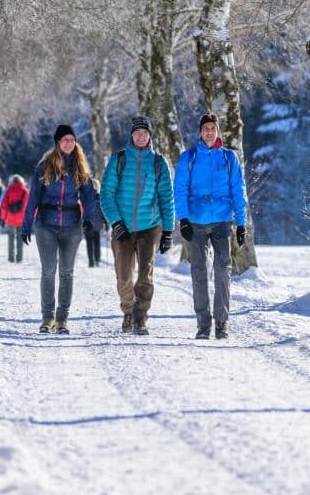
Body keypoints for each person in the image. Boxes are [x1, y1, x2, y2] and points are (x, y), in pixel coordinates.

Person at [174, 112, 247, 340]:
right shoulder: (189, 157)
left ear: (217, 131)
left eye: (212, 128)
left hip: (221, 221)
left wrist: (242, 223)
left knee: (222, 270)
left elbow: (238, 190)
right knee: (198, 271)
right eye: (205, 128)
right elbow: (179, 190)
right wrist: (183, 219)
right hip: (196, 221)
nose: (209, 132)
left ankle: (222, 321)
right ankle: (203, 324)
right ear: (200, 132)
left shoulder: (228, 158)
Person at [99, 114, 175, 335]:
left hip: (149, 227)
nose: (141, 136)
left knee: (145, 276)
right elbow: (106, 194)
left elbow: (166, 198)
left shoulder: (159, 162)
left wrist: (168, 230)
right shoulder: (119, 159)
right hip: (122, 227)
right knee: (124, 276)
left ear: (150, 136)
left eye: (145, 133)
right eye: (137, 132)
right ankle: (128, 312)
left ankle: (141, 317)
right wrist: (116, 222)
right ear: (131, 135)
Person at [21, 125, 97, 335]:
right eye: (65, 139)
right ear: (57, 142)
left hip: (72, 226)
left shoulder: (80, 167)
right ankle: (47, 318)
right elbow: (33, 197)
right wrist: (26, 226)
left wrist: (89, 219)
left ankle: (62, 319)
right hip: (46, 224)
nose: (69, 143)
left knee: (66, 273)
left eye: (72, 139)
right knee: (48, 271)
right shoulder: (44, 166)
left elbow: (89, 197)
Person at [0, 175, 30, 263]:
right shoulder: (26, 192)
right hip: (22, 220)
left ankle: (10, 258)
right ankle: (19, 258)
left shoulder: (9, 191)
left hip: (11, 219)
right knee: (21, 238)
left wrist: (3, 218)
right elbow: (32, 206)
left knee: (11, 237)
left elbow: (3, 206)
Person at [84, 177, 108, 267]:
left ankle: (91, 261)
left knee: (89, 243)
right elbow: (103, 213)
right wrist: (106, 223)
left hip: (88, 224)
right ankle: (97, 259)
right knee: (97, 242)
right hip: (98, 224)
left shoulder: (86, 198)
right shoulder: (101, 199)